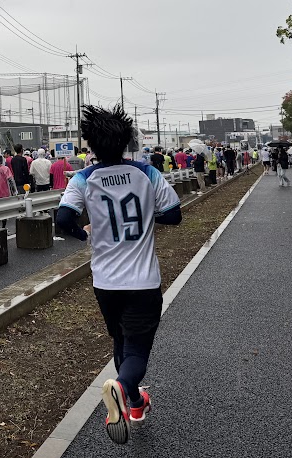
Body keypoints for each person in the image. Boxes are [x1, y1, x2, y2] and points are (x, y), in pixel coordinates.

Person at [54, 105, 181, 445]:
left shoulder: (83, 178)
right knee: (138, 350)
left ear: (90, 145)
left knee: (121, 339)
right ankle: (122, 388)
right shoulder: (147, 173)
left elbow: (63, 219)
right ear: (127, 142)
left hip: (105, 281)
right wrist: (146, 217)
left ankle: (136, 403)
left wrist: (86, 235)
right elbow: (174, 215)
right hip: (142, 280)